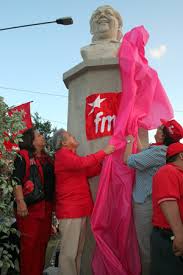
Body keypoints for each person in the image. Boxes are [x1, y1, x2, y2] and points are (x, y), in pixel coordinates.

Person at [123, 119, 183, 275]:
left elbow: (128, 160)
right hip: (150, 203)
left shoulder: (158, 152)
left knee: (146, 248)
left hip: (146, 204)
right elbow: (144, 152)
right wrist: (135, 130)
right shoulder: (162, 151)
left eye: (160, 128)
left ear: (162, 136)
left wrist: (129, 141)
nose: (156, 129)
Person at [53, 128, 115, 275]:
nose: (74, 136)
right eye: (70, 136)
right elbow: (82, 163)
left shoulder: (72, 157)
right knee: (69, 254)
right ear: (63, 143)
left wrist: (104, 162)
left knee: (78, 252)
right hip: (71, 211)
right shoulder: (62, 155)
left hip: (80, 209)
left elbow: (88, 171)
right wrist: (103, 152)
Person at [13, 128, 55, 275]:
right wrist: (20, 202)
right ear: (31, 140)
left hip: (46, 208)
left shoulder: (47, 158)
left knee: (41, 246)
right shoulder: (22, 155)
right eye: (39, 135)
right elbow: (15, 180)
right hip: (30, 209)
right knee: (29, 248)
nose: (43, 136)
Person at [151, 142, 183, 275]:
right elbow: (168, 202)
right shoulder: (168, 171)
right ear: (181, 155)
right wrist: (179, 235)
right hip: (169, 237)